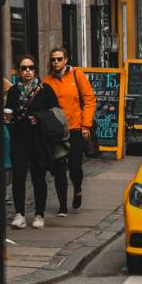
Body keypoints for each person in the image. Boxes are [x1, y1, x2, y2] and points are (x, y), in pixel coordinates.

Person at [6, 55, 60, 229]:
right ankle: (19, 214)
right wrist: (7, 119)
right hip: (19, 139)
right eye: (23, 68)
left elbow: (55, 114)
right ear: (19, 71)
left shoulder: (45, 90)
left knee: (38, 178)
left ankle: (39, 214)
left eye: (30, 68)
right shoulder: (14, 91)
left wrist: (39, 118)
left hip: (39, 140)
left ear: (35, 70)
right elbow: (10, 113)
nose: (27, 71)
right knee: (19, 176)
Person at [43, 46, 96, 215]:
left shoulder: (76, 75)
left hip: (75, 129)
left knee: (74, 167)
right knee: (59, 168)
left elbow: (89, 99)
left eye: (59, 59)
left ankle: (78, 188)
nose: (56, 62)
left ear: (66, 60)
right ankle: (62, 206)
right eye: (53, 59)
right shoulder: (47, 82)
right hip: (56, 132)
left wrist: (86, 125)